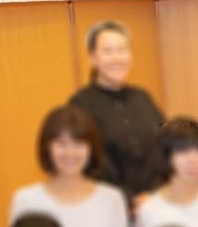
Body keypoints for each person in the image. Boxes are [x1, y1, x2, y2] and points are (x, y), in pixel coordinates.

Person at [69, 19, 165, 204]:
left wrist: (155, 193)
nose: (116, 58)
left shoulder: (142, 97)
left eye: (122, 49)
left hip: (155, 202)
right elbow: (88, 162)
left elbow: (165, 146)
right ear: (92, 57)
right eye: (107, 51)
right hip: (107, 204)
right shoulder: (80, 104)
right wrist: (130, 200)